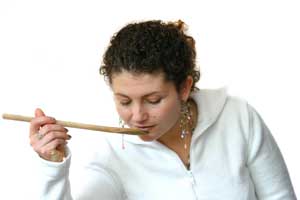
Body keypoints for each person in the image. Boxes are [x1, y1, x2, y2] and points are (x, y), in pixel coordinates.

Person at [29, 20, 297, 199]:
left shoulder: (239, 118)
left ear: (184, 88)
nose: (137, 115)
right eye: (124, 101)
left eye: (153, 100)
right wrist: (52, 167)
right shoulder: (111, 154)